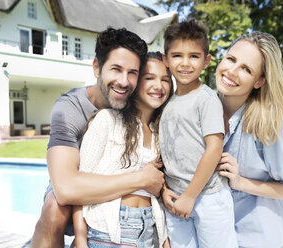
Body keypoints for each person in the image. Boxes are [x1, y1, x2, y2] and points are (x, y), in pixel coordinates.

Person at [31, 28, 166, 248]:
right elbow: (66, 189)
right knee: (54, 210)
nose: (124, 81)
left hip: (125, 214)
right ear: (97, 67)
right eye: (116, 69)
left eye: (132, 72)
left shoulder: (138, 102)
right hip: (76, 182)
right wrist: (142, 180)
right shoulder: (69, 108)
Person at [215, 31, 283, 248]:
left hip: (266, 240)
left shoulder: (275, 124)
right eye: (231, 59)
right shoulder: (204, 108)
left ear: (259, 81)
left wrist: (241, 182)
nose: (232, 71)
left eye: (246, 69)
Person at [72, 52, 172, 248]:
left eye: (165, 80)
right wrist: (81, 240)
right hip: (108, 230)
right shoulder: (107, 120)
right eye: (149, 78)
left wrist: (164, 240)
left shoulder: (162, 132)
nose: (158, 86)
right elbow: (80, 186)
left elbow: (158, 188)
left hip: (149, 230)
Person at [159, 19, 238, 247]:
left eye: (194, 56)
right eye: (177, 56)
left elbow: (214, 148)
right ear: (166, 59)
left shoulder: (207, 99)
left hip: (207, 197)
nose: (185, 63)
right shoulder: (167, 103)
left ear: (206, 61)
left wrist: (191, 196)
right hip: (176, 198)